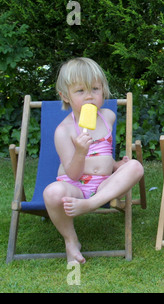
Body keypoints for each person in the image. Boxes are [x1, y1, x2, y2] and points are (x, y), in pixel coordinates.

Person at [43, 57, 144, 264]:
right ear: (65, 96)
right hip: (76, 185)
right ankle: (71, 240)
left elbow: (104, 155)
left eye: (95, 89)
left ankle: (90, 205)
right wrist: (80, 152)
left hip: (103, 185)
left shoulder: (107, 116)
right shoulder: (64, 131)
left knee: (135, 166)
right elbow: (72, 173)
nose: (89, 96)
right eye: (80, 91)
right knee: (51, 193)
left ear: (103, 91)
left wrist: (116, 165)